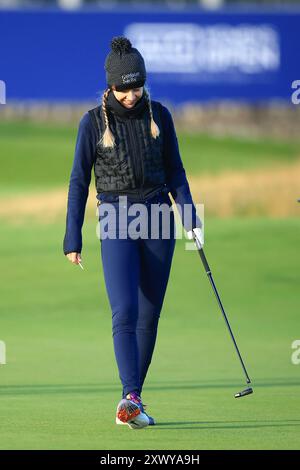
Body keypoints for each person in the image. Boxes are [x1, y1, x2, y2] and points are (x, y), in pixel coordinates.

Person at [63, 36, 203, 430]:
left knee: (149, 313)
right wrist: (72, 236)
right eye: (123, 88)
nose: (130, 95)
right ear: (110, 86)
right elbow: (78, 182)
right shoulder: (91, 123)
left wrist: (191, 217)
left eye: (136, 87)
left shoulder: (160, 115)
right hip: (115, 218)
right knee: (124, 310)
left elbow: (176, 171)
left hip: (159, 217)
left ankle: (133, 401)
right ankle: (129, 395)